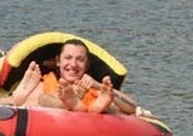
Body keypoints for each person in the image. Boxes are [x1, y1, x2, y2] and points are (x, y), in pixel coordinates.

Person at [9, 39, 138, 114]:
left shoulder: (93, 87)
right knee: (44, 98)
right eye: (68, 58)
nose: (73, 64)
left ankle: (87, 106)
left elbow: (132, 107)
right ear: (58, 61)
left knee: (110, 108)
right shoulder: (46, 81)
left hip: (89, 118)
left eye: (80, 60)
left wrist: (98, 86)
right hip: (51, 113)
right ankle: (69, 103)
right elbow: (39, 101)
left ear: (86, 65)